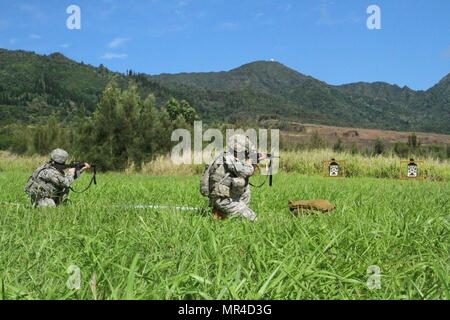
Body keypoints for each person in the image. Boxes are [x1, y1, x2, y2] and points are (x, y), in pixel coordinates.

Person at [206, 134, 263, 222]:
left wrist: (253, 160)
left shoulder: (224, 155)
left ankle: (221, 213)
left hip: (220, 197)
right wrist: (252, 161)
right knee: (253, 219)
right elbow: (246, 171)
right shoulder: (228, 158)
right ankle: (227, 212)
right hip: (223, 199)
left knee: (244, 184)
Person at [24, 148, 91, 208]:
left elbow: (67, 179)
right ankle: (39, 206)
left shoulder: (51, 167)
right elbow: (66, 182)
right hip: (40, 198)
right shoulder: (50, 171)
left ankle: (59, 204)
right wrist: (71, 172)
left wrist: (81, 170)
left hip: (45, 196)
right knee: (50, 207)